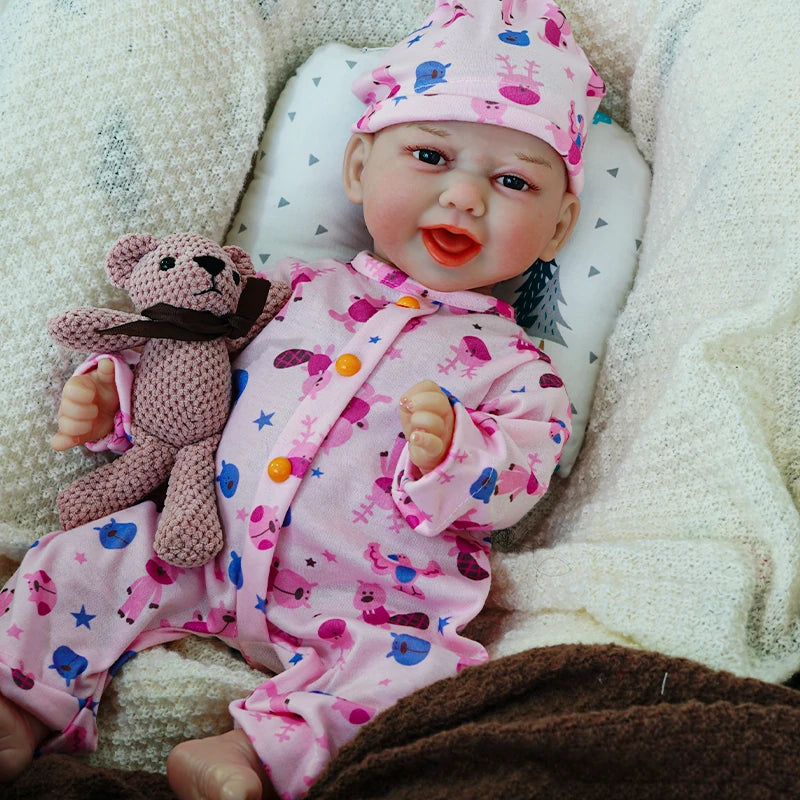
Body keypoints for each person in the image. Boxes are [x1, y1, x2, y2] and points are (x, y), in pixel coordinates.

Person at [0, 1, 604, 797]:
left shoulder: (516, 369)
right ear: (359, 169)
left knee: (430, 676)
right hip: (196, 543)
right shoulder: (282, 291)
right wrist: (115, 396)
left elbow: (520, 480)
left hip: (361, 604)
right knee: (82, 558)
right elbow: (189, 363)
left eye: (512, 181)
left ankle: (244, 753)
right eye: (429, 155)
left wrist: (456, 450)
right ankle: (18, 703)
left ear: (558, 227)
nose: (463, 197)